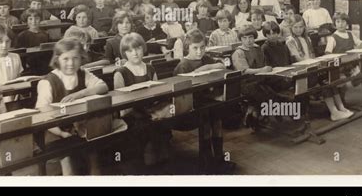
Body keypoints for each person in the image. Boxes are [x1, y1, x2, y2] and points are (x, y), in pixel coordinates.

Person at [36, 38, 109, 175]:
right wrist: (61, 133)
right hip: (55, 130)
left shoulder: (82, 73)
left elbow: (103, 86)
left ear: (81, 58)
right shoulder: (48, 82)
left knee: (94, 150)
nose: (71, 63)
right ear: (57, 59)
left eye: (75, 58)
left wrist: (81, 93)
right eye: (66, 59)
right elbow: (42, 114)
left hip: (79, 126)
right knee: (67, 157)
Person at [173, 29, 235, 173]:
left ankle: (219, 158)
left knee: (217, 120)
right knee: (206, 120)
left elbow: (222, 65)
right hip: (191, 105)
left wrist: (205, 67)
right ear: (187, 47)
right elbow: (182, 92)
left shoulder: (205, 59)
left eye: (202, 47)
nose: (199, 51)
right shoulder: (184, 65)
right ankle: (207, 161)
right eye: (195, 48)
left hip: (207, 101)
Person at [113, 33, 170, 165]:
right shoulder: (121, 73)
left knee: (164, 119)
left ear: (143, 48)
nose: (135, 53)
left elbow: (158, 93)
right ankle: (145, 158)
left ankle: (161, 157)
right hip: (132, 114)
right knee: (144, 126)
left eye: (138, 48)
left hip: (152, 110)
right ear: (124, 53)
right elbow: (122, 106)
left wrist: (156, 110)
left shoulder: (150, 68)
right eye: (130, 50)